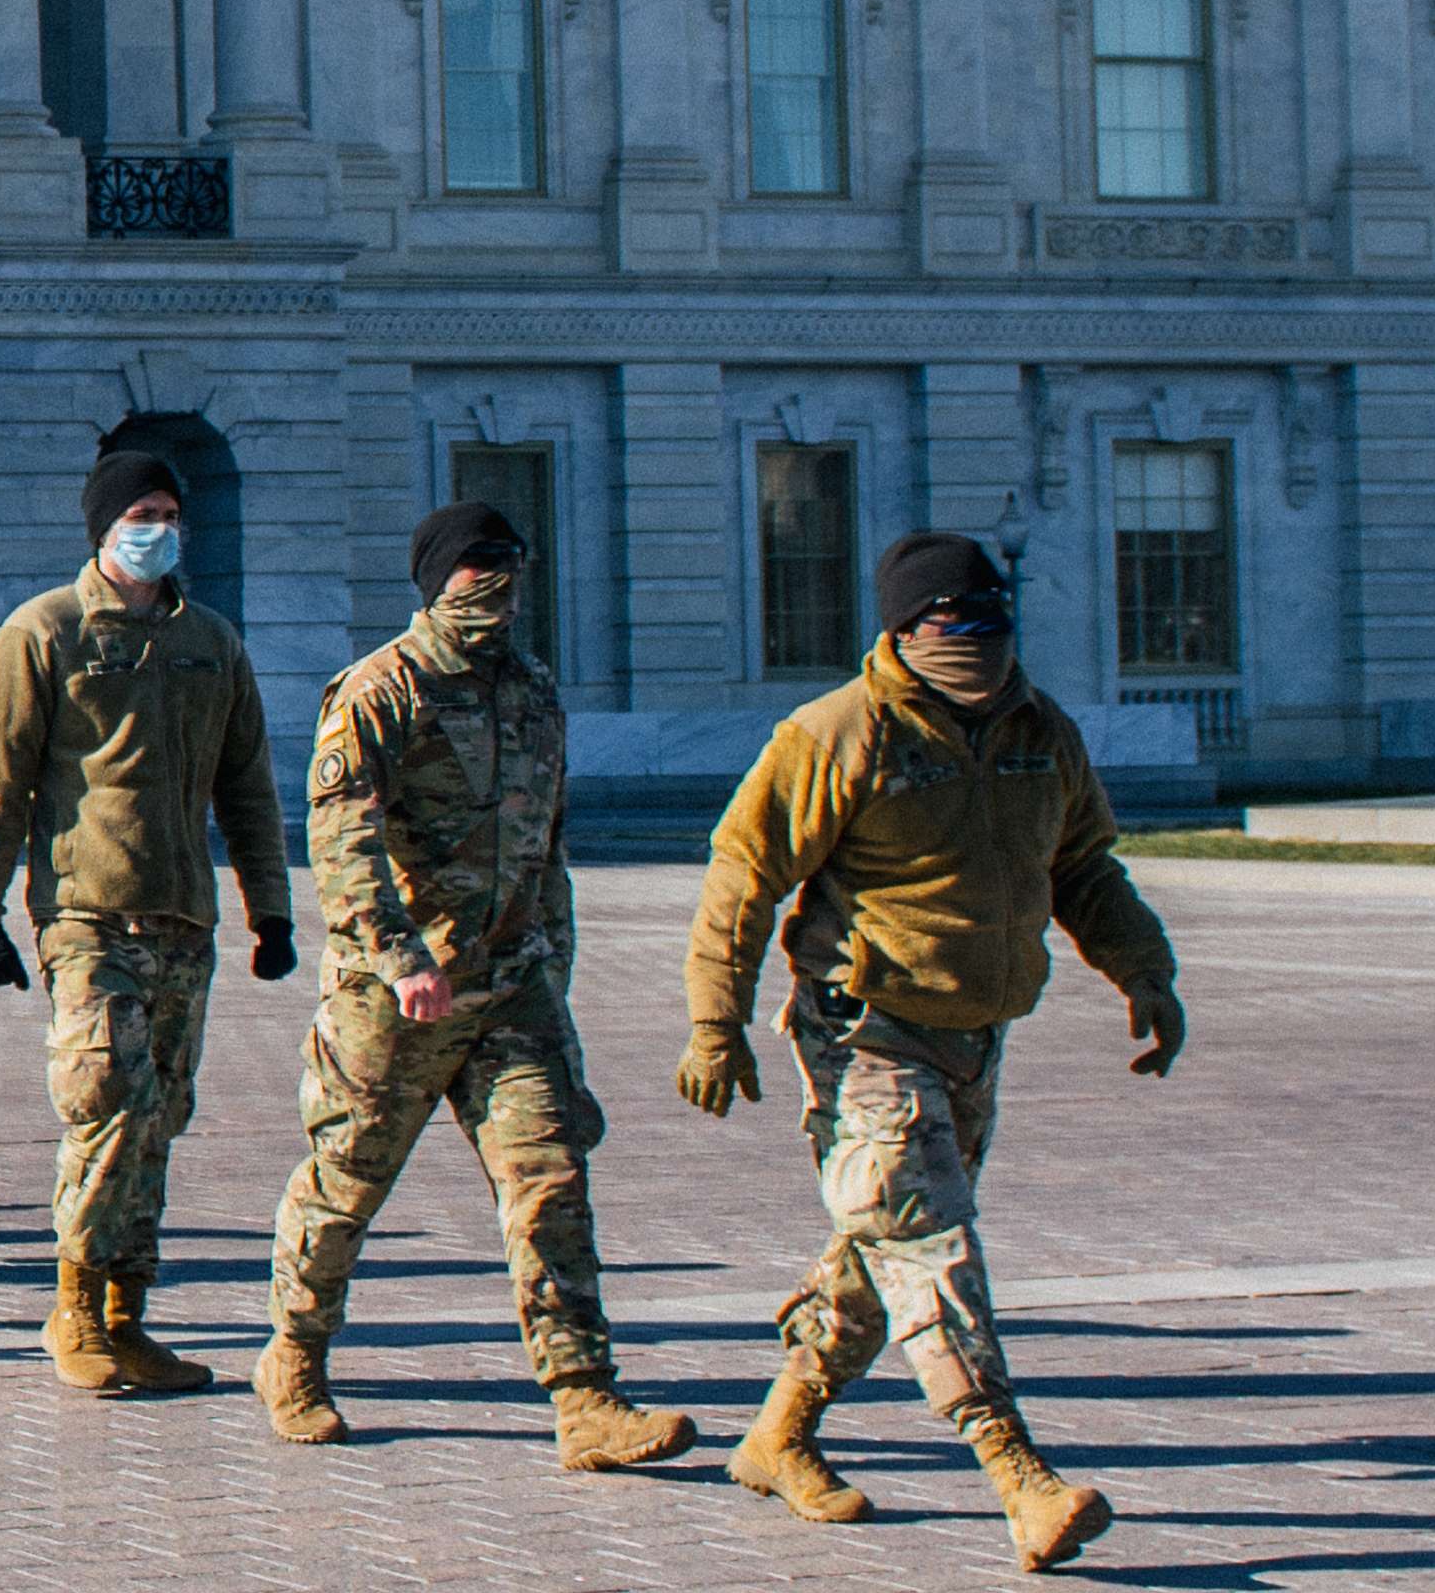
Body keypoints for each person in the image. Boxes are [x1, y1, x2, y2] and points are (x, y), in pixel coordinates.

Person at [685, 530, 1181, 1571]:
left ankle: (779, 1435)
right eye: (950, 627)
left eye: (990, 624)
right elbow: (743, 873)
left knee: (883, 1253)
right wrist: (714, 1021)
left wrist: (1146, 970)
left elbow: (1083, 863)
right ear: (904, 633)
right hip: (864, 1025)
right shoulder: (837, 733)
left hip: (976, 1031)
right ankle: (1017, 1473)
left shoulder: (1042, 731)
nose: (975, 646)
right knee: (925, 1238)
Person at [248, 499, 684, 1465]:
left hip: (511, 989)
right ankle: (295, 1355)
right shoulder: (378, 691)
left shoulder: (530, 687)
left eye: (510, 565)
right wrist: (400, 959)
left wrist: (555, 977)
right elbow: (341, 842)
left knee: (550, 1182)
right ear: (433, 579)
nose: (496, 584)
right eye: (475, 566)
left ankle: (584, 1398)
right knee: (345, 1186)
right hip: (392, 1002)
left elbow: (547, 846)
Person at [0, 448, 294, 1398]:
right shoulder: (44, 633)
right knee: (104, 1103)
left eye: (170, 511)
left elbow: (247, 782)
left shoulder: (212, 642)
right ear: (104, 527)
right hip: (85, 914)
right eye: (143, 511)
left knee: (156, 1121)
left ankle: (125, 1314)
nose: (160, 528)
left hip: (183, 920)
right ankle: (73, 1308)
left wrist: (268, 906)